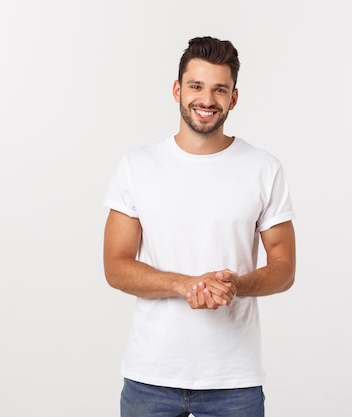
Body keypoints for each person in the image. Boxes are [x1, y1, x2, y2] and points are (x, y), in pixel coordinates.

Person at [102, 36, 296, 417]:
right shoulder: (136, 166)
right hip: (151, 375)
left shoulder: (264, 168)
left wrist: (235, 285)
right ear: (177, 89)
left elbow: (284, 268)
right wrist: (183, 284)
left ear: (233, 98)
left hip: (233, 381)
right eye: (196, 86)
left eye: (219, 89)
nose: (206, 100)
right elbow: (115, 265)